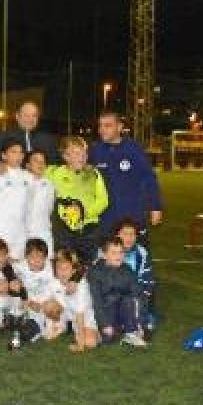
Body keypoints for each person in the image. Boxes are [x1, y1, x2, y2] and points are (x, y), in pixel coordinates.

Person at [90, 112, 163, 243]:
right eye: (100, 126)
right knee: (108, 258)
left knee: (134, 258)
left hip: (132, 216)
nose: (102, 130)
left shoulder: (133, 149)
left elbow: (149, 178)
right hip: (106, 218)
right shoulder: (95, 151)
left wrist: (155, 207)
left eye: (107, 126)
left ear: (119, 127)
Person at [46, 136, 110, 264]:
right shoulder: (54, 173)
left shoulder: (93, 173)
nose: (82, 156)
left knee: (86, 266)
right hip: (63, 230)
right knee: (65, 264)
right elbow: (32, 171)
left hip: (89, 229)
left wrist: (85, 213)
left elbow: (103, 200)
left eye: (84, 153)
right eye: (76, 153)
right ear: (65, 156)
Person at [87, 236, 148, 348]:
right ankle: (111, 330)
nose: (118, 256)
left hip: (122, 311)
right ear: (104, 255)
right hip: (103, 313)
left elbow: (139, 295)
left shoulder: (127, 270)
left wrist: (141, 324)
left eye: (121, 252)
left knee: (130, 299)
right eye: (114, 253)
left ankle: (131, 331)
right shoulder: (95, 272)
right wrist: (104, 324)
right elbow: (96, 301)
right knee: (106, 339)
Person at [10, 238, 64, 350]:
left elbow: (58, 294)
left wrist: (42, 305)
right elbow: (8, 266)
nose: (36, 260)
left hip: (47, 305)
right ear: (26, 257)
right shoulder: (22, 266)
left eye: (40, 257)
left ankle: (56, 323)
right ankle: (26, 333)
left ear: (46, 258)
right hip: (30, 306)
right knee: (25, 330)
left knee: (52, 308)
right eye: (32, 257)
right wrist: (14, 279)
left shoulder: (52, 269)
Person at [107, 217, 155, 335]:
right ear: (117, 235)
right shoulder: (106, 250)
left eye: (132, 234)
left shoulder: (142, 253)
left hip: (134, 293)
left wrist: (143, 292)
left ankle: (140, 322)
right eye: (125, 234)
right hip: (112, 292)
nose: (129, 238)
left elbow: (147, 279)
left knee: (138, 297)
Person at [0, 140, 32, 260]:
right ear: (4, 155)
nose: (18, 156)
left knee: (19, 267)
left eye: (21, 153)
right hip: (1, 230)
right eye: (13, 152)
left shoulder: (28, 176)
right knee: (1, 266)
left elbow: (29, 206)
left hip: (21, 232)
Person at [0, 101, 60, 165]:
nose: (30, 119)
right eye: (26, 115)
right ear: (17, 117)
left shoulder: (47, 139)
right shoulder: (3, 137)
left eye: (34, 116)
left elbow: (54, 162)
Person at [54, 248, 99, 352]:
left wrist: (80, 345)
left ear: (74, 270)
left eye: (66, 268)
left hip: (87, 320)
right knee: (51, 304)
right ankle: (64, 328)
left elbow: (80, 315)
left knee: (90, 343)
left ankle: (99, 335)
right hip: (73, 319)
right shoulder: (56, 281)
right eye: (59, 268)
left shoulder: (81, 286)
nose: (62, 272)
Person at [25, 150, 55, 257]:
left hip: (43, 232)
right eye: (36, 161)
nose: (40, 164)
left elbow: (50, 209)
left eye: (43, 162)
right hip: (23, 233)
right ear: (28, 165)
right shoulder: (20, 182)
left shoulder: (50, 185)